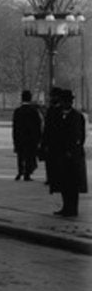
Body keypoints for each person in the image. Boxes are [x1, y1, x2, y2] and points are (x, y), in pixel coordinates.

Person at [41, 88, 86, 217]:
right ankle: (66, 206)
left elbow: (80, 136)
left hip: (72, 155)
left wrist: (73, 150)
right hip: (59, 154)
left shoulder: (77, 116)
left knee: (73, 184)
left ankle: (73, 208)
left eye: (69, 101)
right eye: (65, 101)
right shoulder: (56, 115)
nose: (67, 104)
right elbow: (50, 133)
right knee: (63, 182)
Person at [12, 89, 42, 181]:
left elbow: (15, 126)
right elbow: (38, 125)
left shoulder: (17, 111)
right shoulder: (34, 111)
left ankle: (20, 171)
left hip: (20, 137)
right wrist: (38, 138)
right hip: (31, 138)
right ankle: (27, 174)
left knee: (20, 155)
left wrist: (14, 138)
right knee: (29, 155)